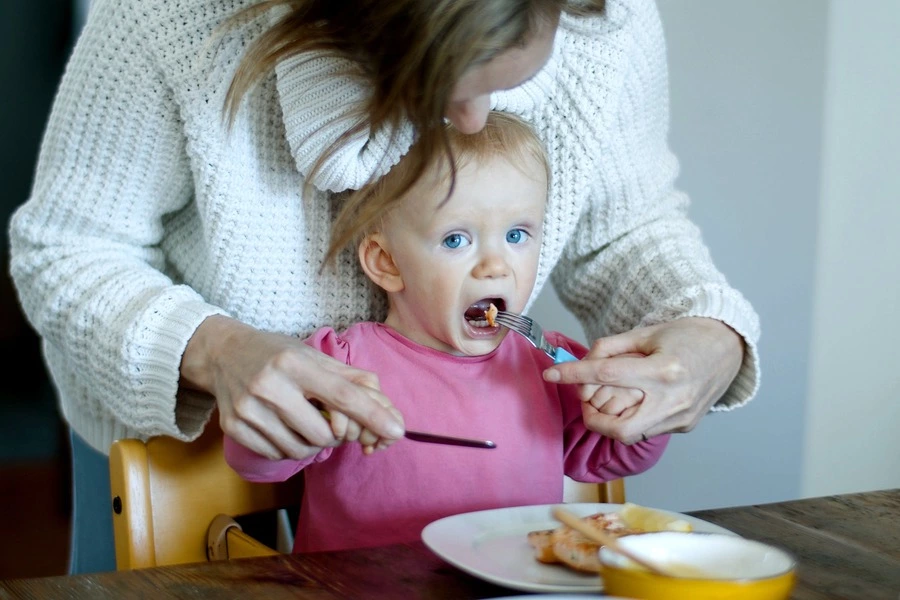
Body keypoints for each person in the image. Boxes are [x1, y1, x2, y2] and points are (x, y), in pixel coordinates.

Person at [7, 0, 759, 573]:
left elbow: (628, 227)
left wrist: (707, 335)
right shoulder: (175, 19)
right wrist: (209, 350)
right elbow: (68, 247)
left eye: (504, 84)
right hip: (184, 446)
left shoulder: (609, 20)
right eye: (438, 85)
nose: (466, 122)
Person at [224, 111, 670, 551]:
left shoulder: (552, 366)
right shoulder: (338, 366)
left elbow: (616, 454)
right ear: (388, 262)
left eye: (517, 235)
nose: (496, 265)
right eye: (456, 239)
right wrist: (291, 428)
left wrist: (637, 411)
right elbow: (258, 462)